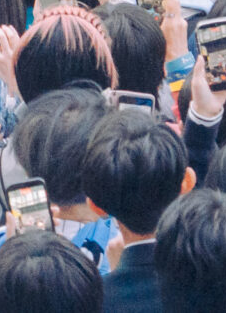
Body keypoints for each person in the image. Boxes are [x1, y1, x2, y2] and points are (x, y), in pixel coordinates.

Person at [83, 108, 195, 313]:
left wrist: (118, 271)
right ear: (187, 182)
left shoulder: (93, 302)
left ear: (96, 207)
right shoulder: (224, 276)